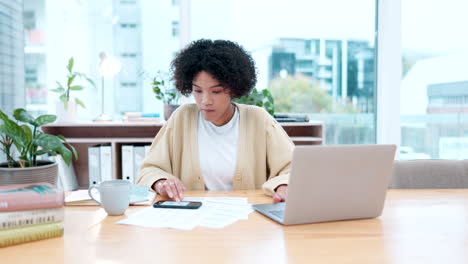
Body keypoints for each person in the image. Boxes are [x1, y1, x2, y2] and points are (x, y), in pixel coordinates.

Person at [136, 39, 294, 203]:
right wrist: (161, 183)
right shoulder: (181, 118)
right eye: (197, 91)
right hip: (192, 220)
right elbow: (149, 170)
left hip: (248, 220)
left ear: (233, 88)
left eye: (216, 91)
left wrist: (283, 185)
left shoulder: (258, 119)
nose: (205, 100)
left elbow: (293, 168)